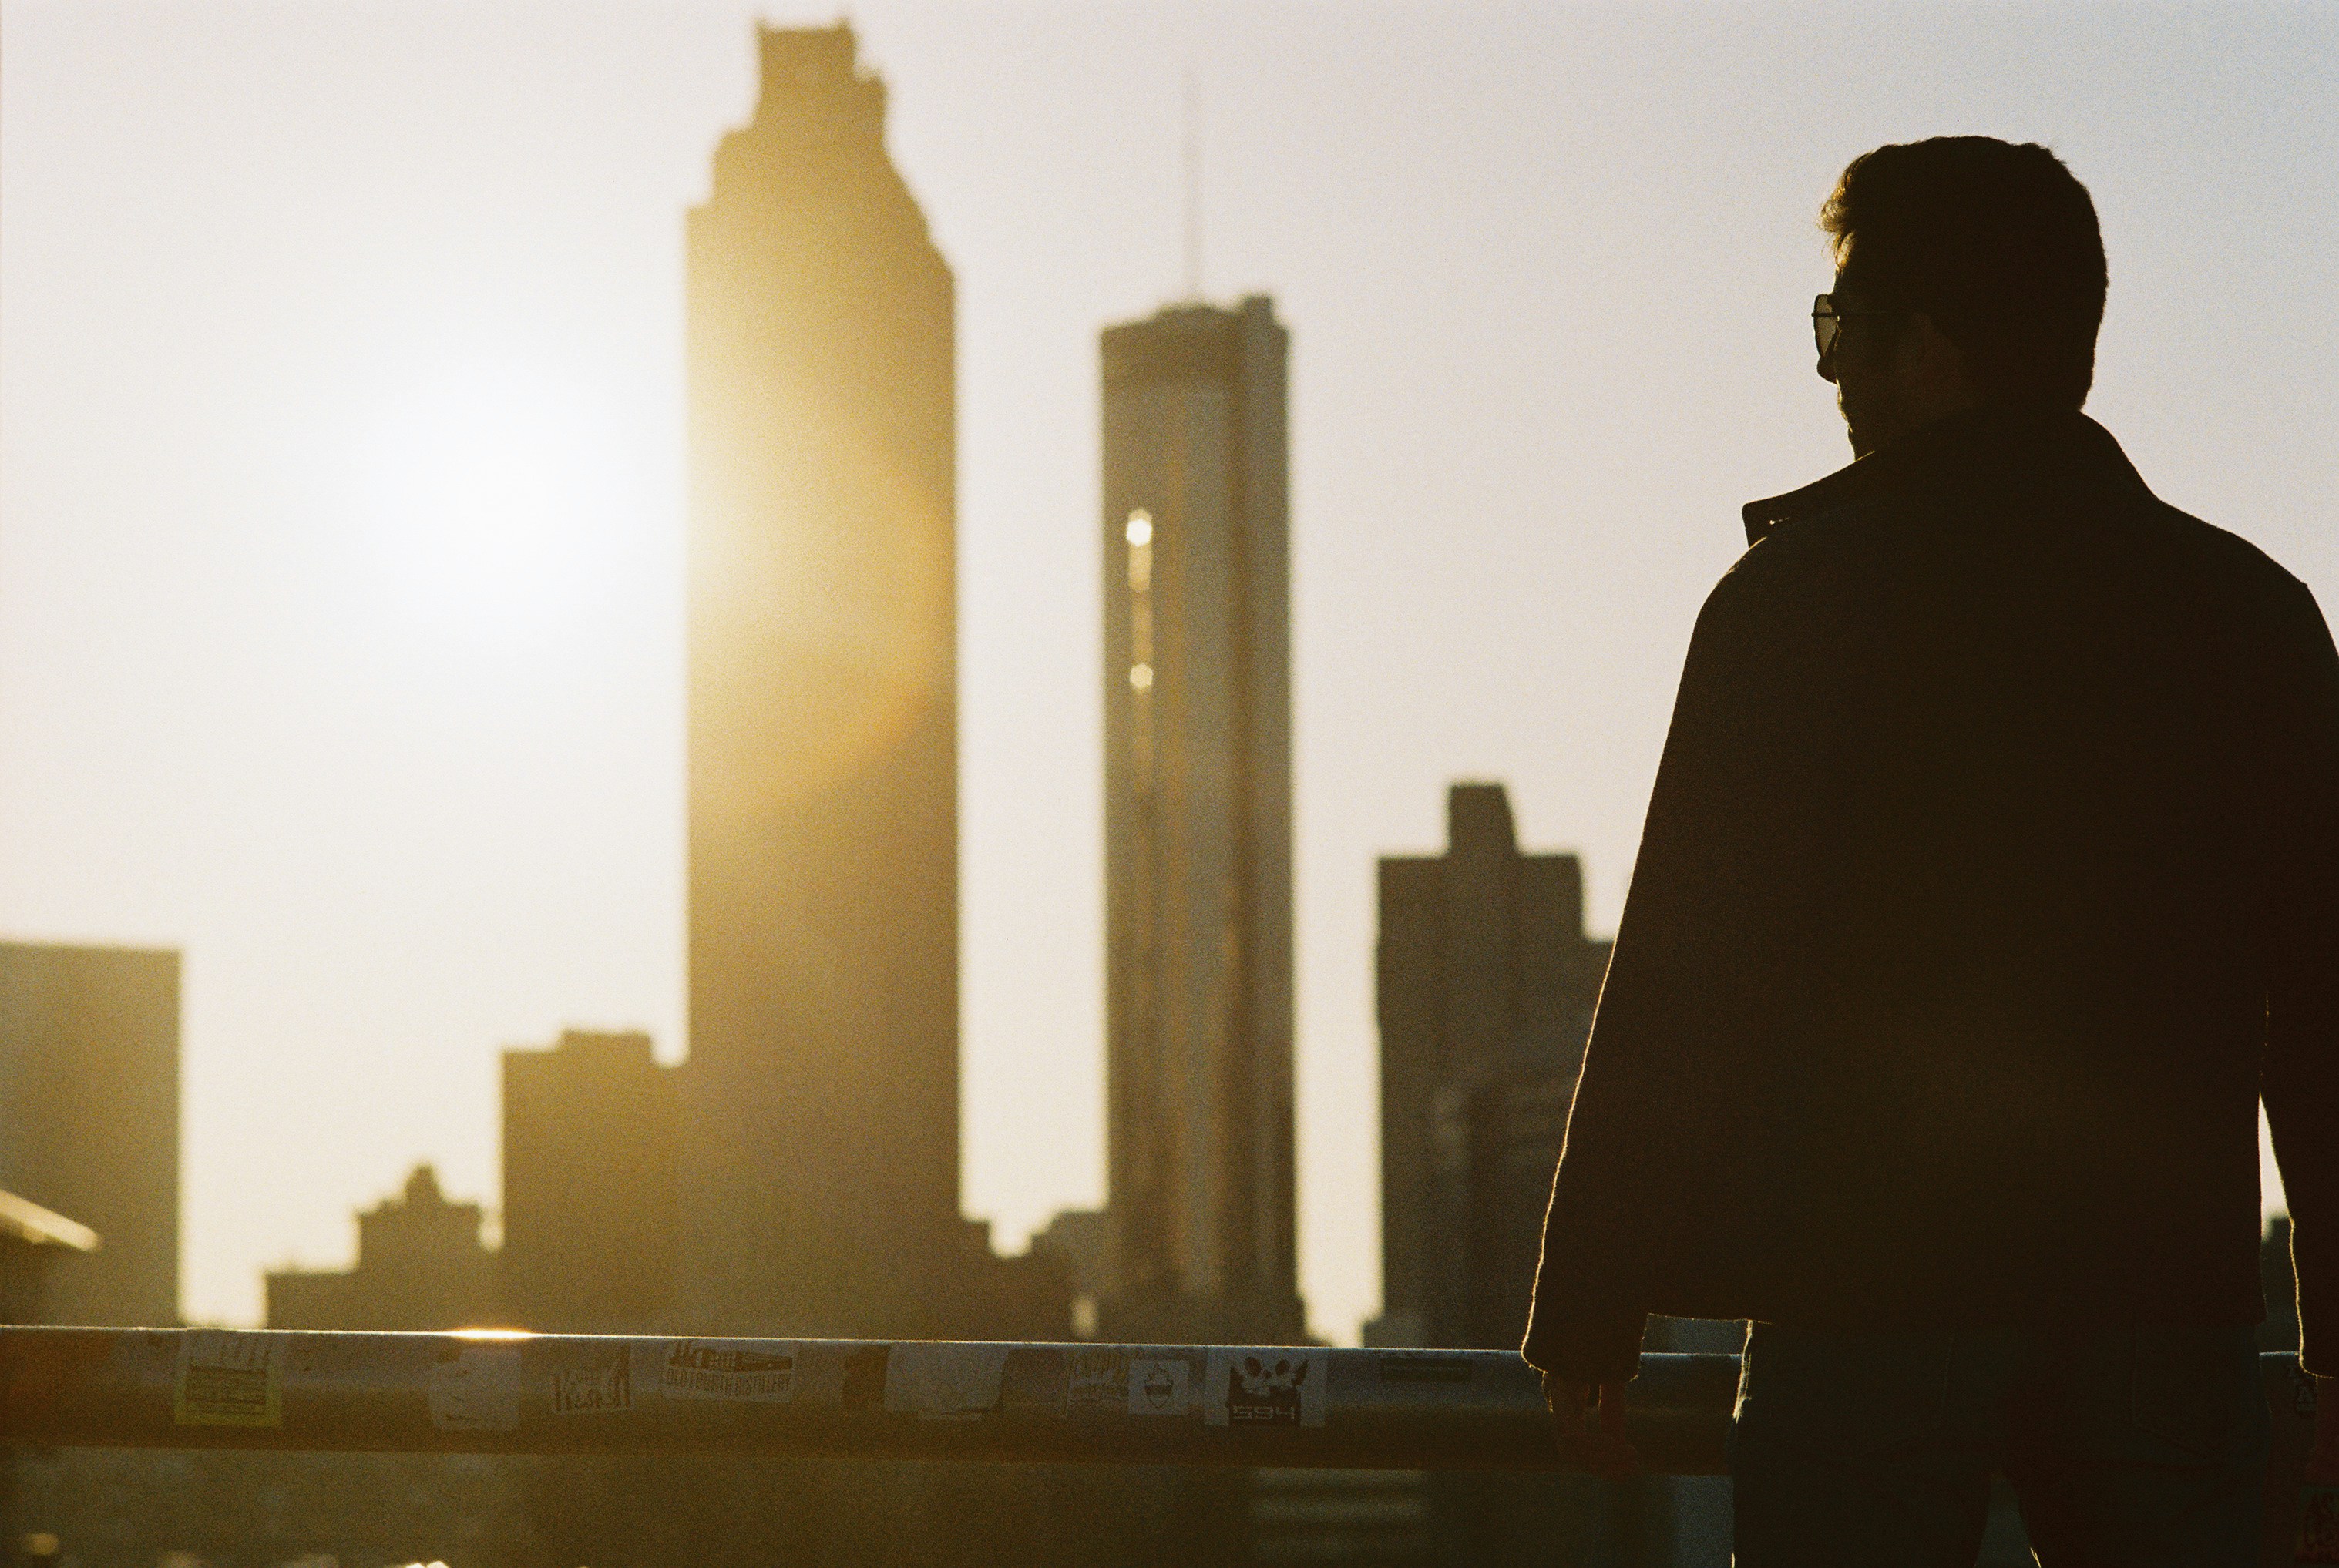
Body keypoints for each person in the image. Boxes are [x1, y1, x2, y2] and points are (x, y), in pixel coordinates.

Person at [1521, 136, 2339, 1564]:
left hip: (1865, 1302)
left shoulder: (1793, 607)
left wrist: (1591, 1315)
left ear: (1933, 347)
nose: (1829, 370)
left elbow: (1682, 982)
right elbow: (2324, 1011)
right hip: (2160, 1308)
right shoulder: (2250, 614)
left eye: (1842, 325)